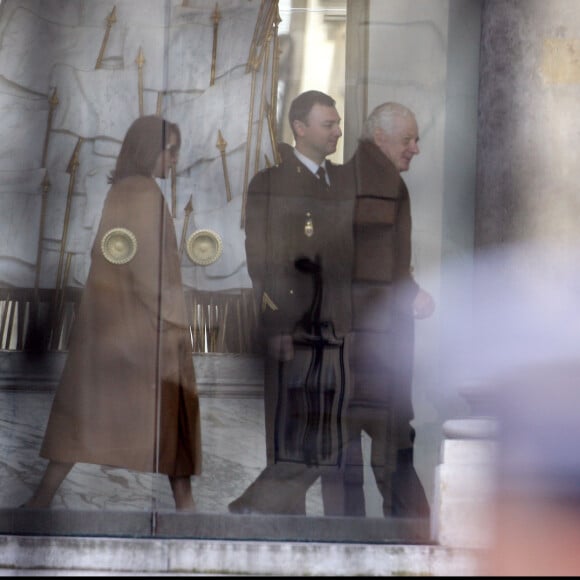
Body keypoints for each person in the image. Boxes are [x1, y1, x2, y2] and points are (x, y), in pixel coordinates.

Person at [23, 115, 202, 511]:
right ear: (146, 150)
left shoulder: (125, 191)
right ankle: (187, 514)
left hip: (118, 329)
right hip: (147, 333)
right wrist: (174, 321)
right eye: (169, 149)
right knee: (172, 421)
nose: (174, 158)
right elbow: (147, 271)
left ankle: (40, 501)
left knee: (83, 419)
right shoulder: (143, 195)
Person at [228, 90, 355, 515]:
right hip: (294, 330)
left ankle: (333, 528)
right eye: (328, 124)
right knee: (289, 434)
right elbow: (262, 259)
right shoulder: (271, 183)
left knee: (333, 437)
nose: (338, 131)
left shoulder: (340, 183)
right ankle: (275, 519)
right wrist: (278, 325)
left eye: (337, 124)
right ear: (300, 128)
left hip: (336, 332)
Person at [338, 102, 434, 518]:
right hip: (376, 342)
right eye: (407, 139)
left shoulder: (348, 178)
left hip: (352, 339)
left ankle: (350, 540)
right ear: (380, 138)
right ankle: (418, 538)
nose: (415, 148)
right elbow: (375, 263)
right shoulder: (382, 184)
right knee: (393, 443)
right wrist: (410, 290)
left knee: (348, 455)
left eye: (416, 138)